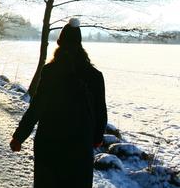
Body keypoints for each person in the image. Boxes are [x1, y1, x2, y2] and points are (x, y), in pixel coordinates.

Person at [10, 18, 107, 188]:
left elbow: (36, 108)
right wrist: (97, 138)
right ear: (80, 43)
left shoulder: (50, 72)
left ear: (60, 42)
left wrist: (19, 137)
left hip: (49, 145)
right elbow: (101, 111)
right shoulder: (95, 75)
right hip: (80, 148)